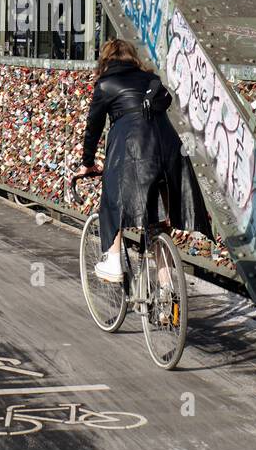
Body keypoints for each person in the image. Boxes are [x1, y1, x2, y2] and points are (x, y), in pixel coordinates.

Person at [76, 38, 187, 283]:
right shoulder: (150, 80)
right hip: (169, 152)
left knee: (112, 202)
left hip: (134, 153)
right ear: (134, 58)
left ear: (105, 60)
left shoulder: (105, 85)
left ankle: (114, 262)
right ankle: (168, 288)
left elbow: (93, 128)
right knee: (158, 224)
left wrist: (88, 162)